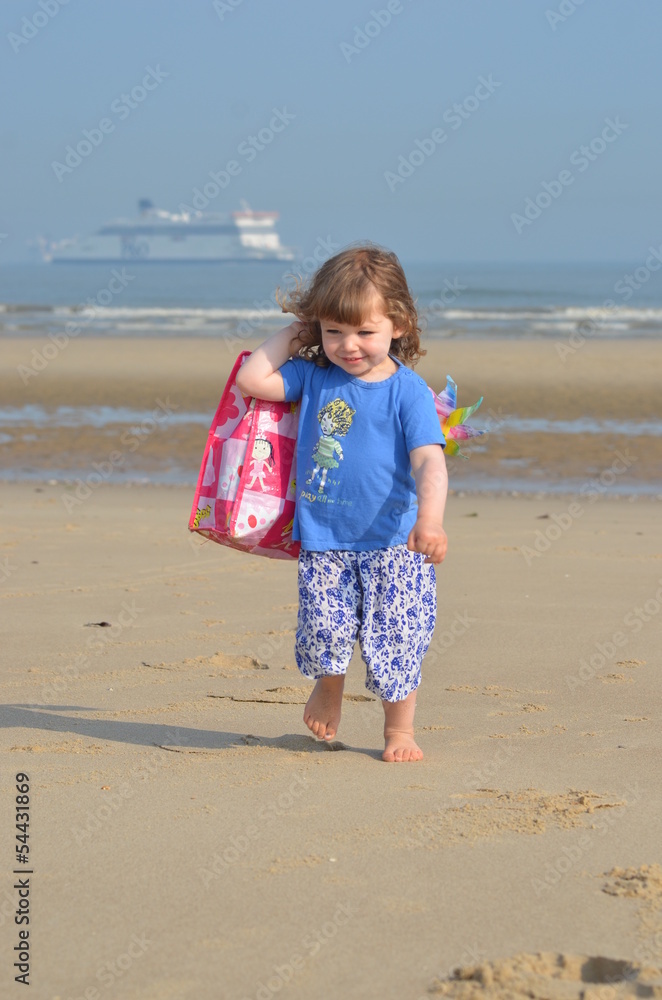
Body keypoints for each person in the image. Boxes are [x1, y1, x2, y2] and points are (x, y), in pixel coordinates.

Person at [235, 244, 448, 762]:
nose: (348, 345)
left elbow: (429, 461)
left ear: (398, 324)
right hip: (325, 536)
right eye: (333, 331)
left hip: (395, 541)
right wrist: (298, 333)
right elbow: (251, 379)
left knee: (398, 637)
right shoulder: (313, 377)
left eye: (364, 332)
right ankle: (329, 686)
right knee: (324, 628)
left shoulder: (408, 391)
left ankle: (399, 730)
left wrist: (431, 520)